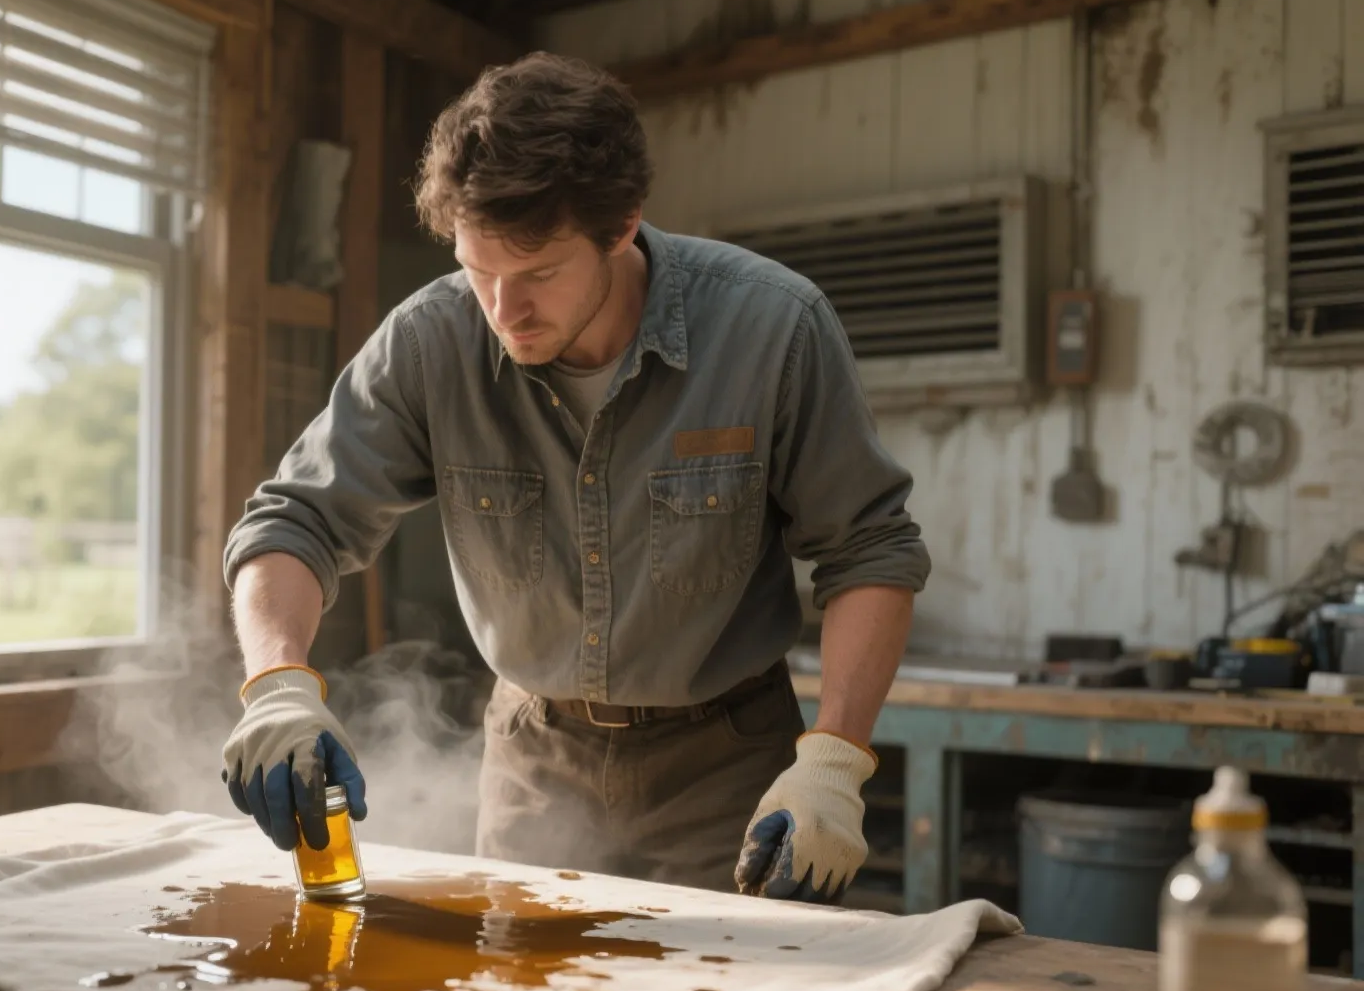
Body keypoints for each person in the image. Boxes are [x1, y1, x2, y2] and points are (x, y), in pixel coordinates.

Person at [217, 51, 929, 903]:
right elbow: (292, 523)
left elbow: (872, 551)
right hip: (534, 758)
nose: (503, 312)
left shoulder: (774, 327)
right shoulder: (429, 341)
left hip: (727, 768)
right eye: (479, 272)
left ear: (624, 224)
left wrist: (837, 761)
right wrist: (278, 686)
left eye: (539, 275)